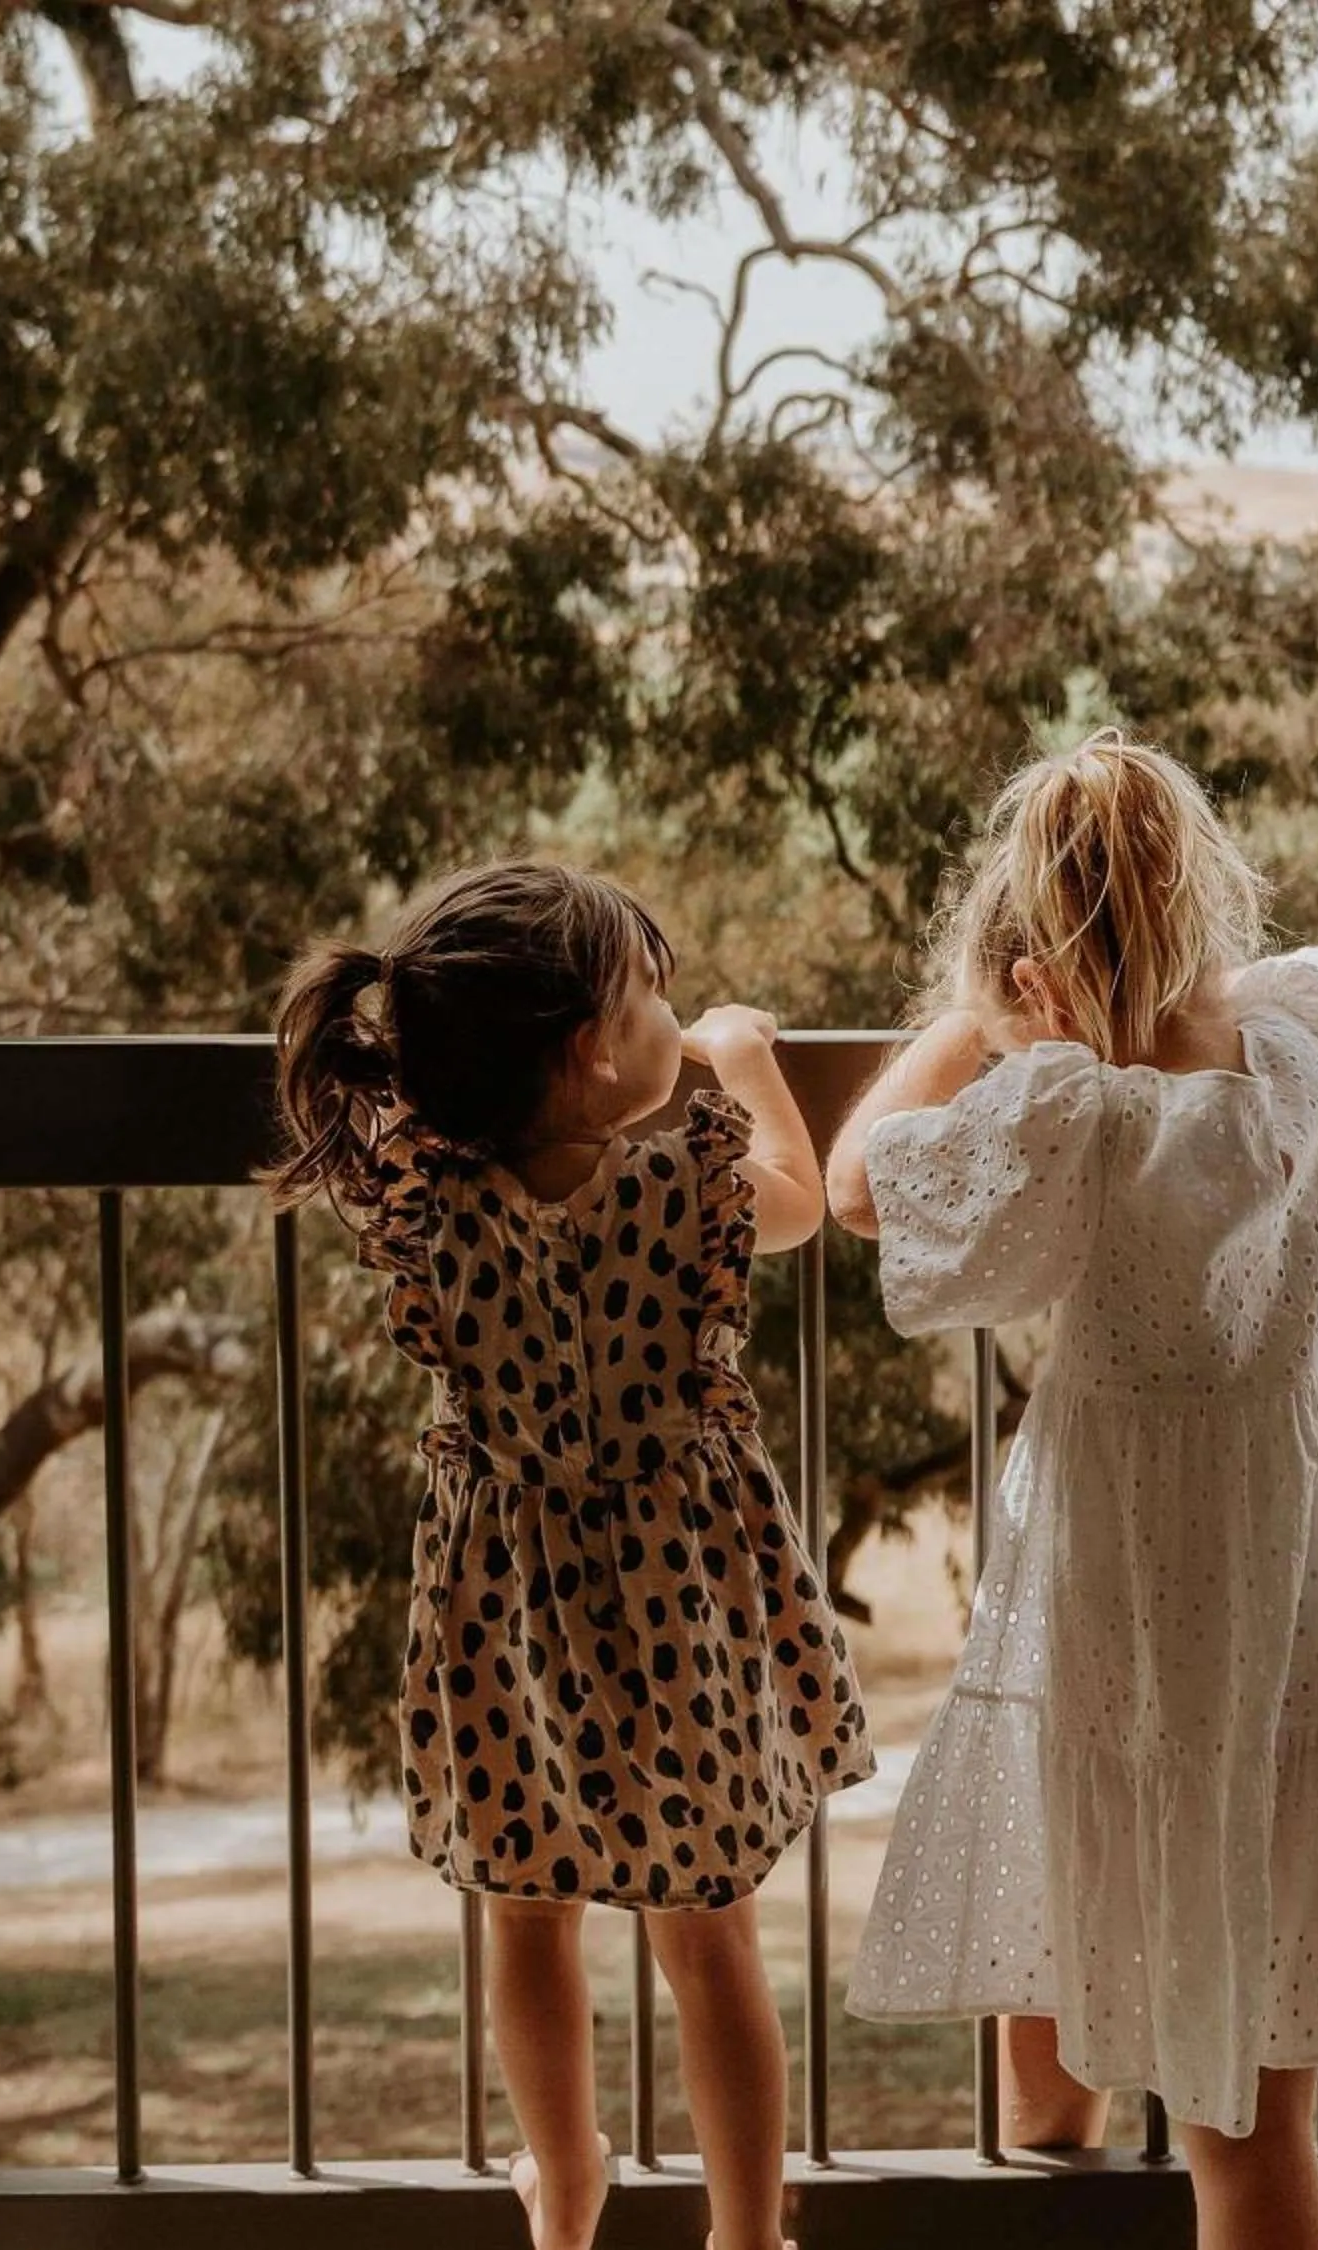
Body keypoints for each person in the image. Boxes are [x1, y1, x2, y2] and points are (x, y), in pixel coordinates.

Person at [832, 732, 1318, 2250]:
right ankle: (1067, 2141)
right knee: (1220, 2056)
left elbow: (855, 1184)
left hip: (1145, 1625)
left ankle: (1050, 2167)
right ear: (1203, 891)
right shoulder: (1316, 1045)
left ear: (1035, 955)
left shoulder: (1077, 1116)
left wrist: (978, 1029)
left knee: (1196, 2082)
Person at [266, 860, 870, 2250]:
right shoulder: (686, 1183)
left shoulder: (429, 1197)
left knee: (524, 1909)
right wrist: (746, 1058)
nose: (676, 1014)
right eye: (657, 995)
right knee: (704, 1924)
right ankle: (744, 2230)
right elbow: (795, 1195)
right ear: (599, 1052)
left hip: (505, 1612)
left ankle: (568, 2178)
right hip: (677, 1598)